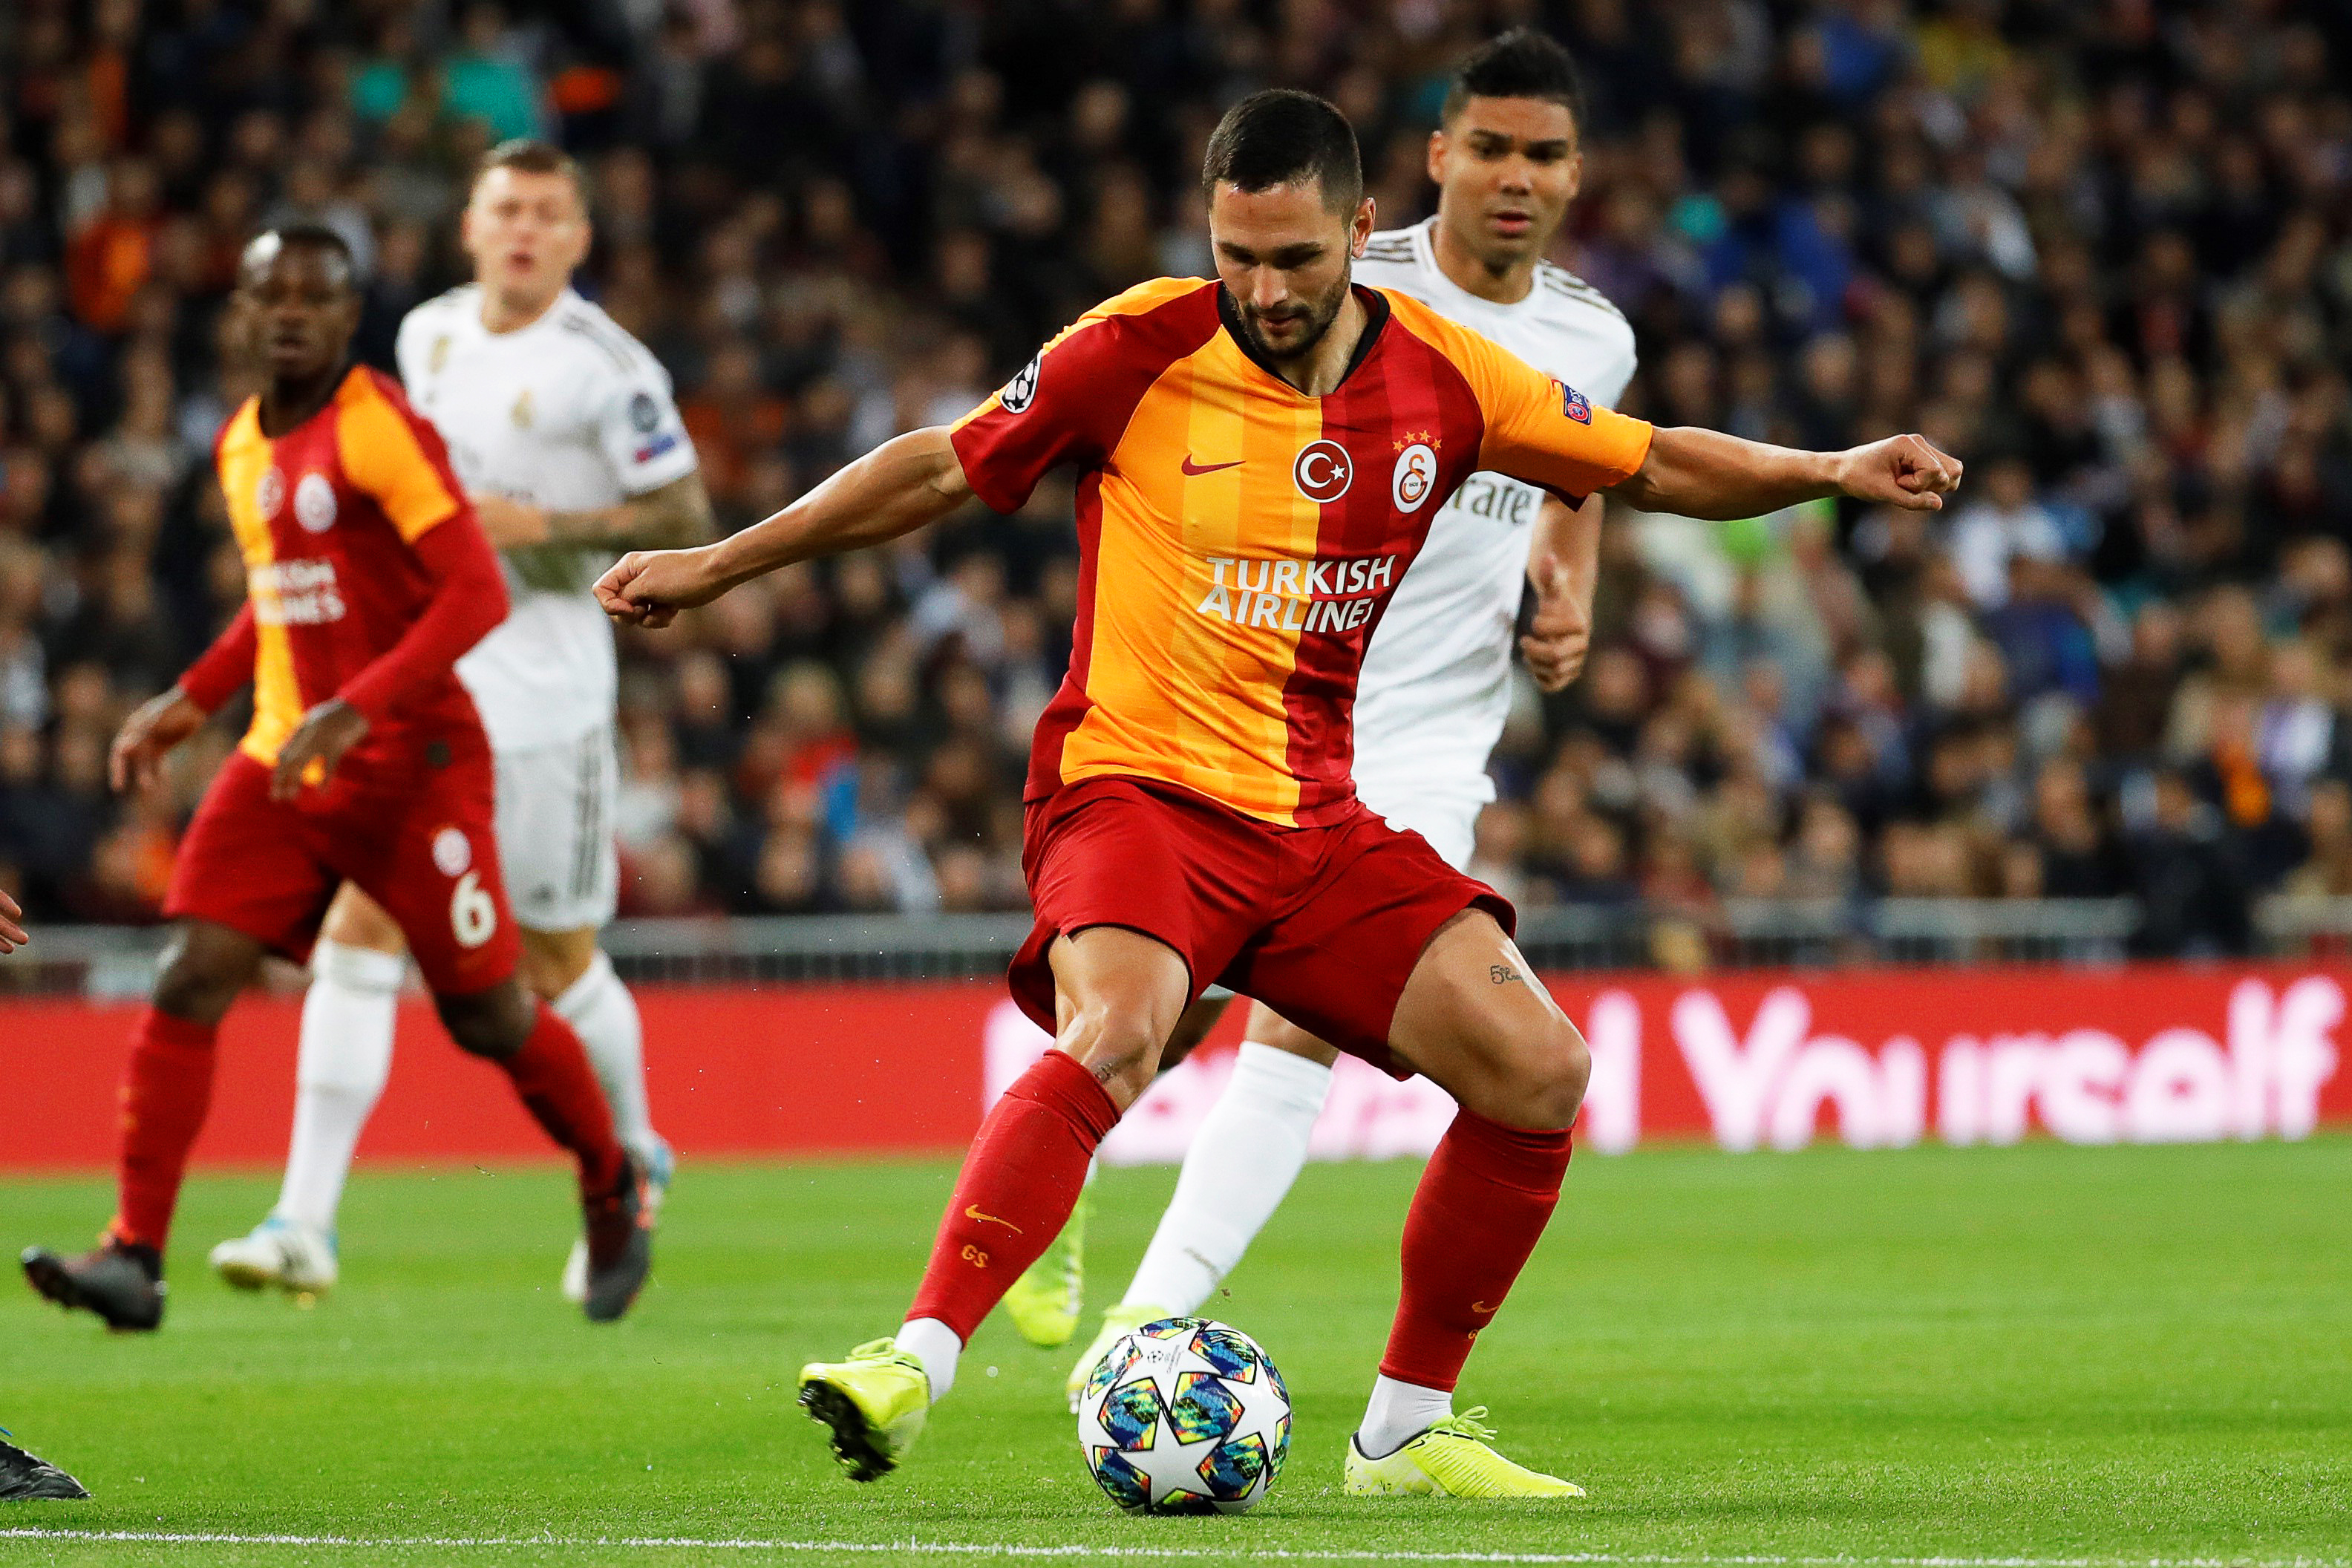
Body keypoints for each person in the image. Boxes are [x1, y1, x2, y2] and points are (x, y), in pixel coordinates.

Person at [598, 91, 1958, 1497]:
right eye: (1235, 255)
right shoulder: (1134, 347)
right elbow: (941, 465)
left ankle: (1403, 1432)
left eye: (1296, 258)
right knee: (1124, 1029)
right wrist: (718, 564)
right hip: (1133, 792)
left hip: (1313, 821)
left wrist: (1832, 469)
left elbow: (1650, 458)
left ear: (1362, 231)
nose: (1262, 290)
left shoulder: (1449, 377)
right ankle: (914, 1358)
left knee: (1540, 1073)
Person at [1033, 27, 1642, 1399]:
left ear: (1576, 173)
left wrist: (1570, 587)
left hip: (1429, 736)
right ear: (1435, 158)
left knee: (1298, 1027)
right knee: (1167, 1007)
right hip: (1260, 703)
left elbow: (1583, 471)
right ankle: (1069, 1169)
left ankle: (1138, 1333)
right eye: (1489, 148)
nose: (1515, 177)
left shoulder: (1595, 336)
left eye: (1544, 154)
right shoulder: (1338, 283)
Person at [19, 227, 653, 1332]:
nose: (291, 314)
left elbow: (474, 592)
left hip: (415, 768)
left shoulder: (377, 427)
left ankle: (611, 1185)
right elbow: (279, 603)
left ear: (349, 315)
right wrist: (191, 699)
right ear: (242, 310)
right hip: (287, 759)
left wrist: (359, 706)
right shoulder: (240, 445)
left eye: (314, 298)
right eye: (272, 294)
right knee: (191, 973)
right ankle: (134, 1255)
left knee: (490, 1016)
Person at [208, 141, 707, 1304]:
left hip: (547, 700)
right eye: (505, 210)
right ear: (469, 227)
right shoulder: (427, 337)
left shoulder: (608, 368)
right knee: (362, 923)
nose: (523, 230)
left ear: (578, 238)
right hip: (425, 688)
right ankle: (303, 1222)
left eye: (546, 214)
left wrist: (548, 526)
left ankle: (633, 1157)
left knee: (554, 959)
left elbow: (686, 508)